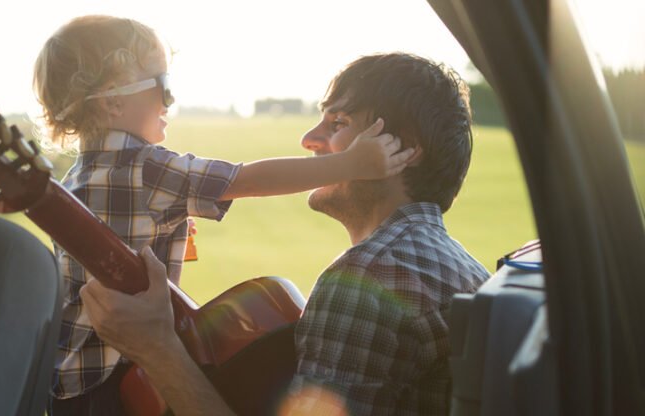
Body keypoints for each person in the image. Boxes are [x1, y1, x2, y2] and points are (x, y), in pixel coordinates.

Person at [32, 16, 414, 416]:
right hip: (119, 380)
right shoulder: (148, 169)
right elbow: (247, 179)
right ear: (113, 99)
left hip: (70, 384)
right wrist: (350, 164)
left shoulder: (75, 181)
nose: (170, 102)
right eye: (163, 87)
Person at [80, 52, 491, 416]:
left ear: (404, 150)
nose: (309, 139)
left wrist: (157, 349)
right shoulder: (460, 266)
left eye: (338, 122)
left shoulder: (368, 280)